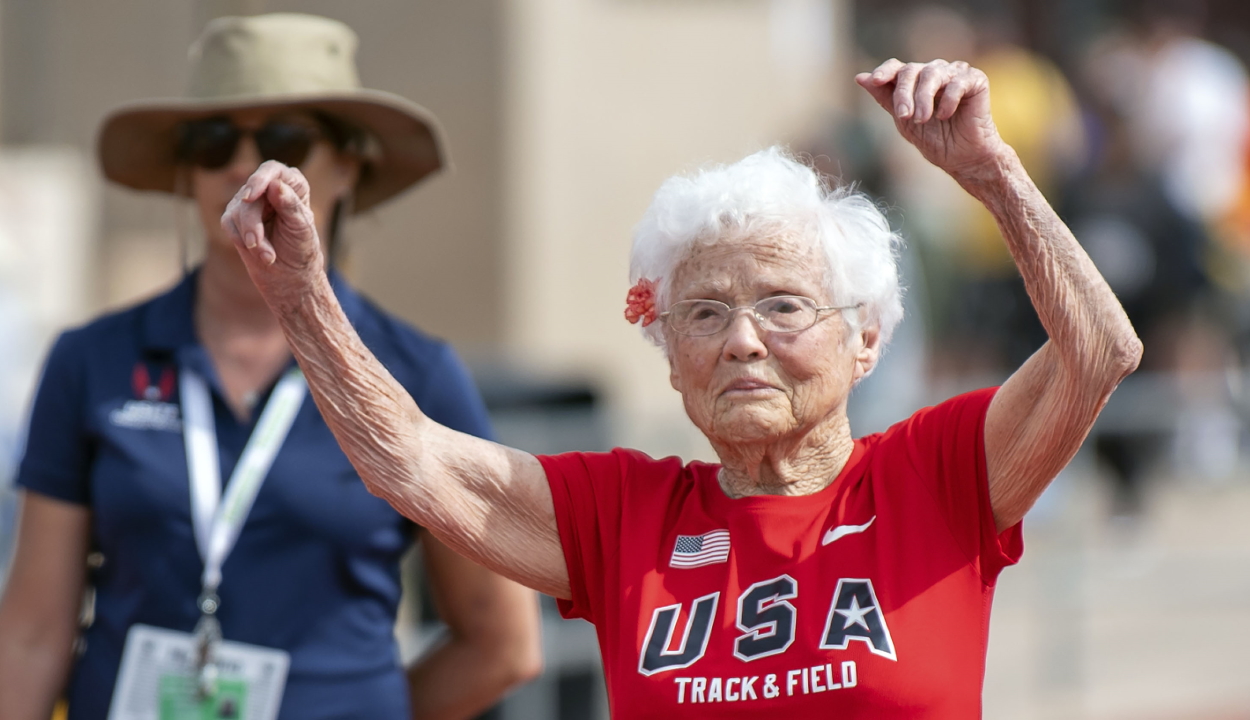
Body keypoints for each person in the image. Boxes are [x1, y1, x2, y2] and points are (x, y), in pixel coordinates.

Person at [223, 59, 1141, 717]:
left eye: (783, 306)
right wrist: (301, 297)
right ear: (669, 357)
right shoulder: (626, 516)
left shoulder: (932, 476)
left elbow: (1097, 349)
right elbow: (411, 463)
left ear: (864, 340)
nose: (742, 341)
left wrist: (992, 173)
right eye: (702, 314)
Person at [0, 14, 540, 720]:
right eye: (213, 140)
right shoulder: (91, 360)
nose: (243, 164)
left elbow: (503, 645)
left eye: (284, 139)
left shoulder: (419, 374)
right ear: (185, 170)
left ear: (348, 167)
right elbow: (33, 634)